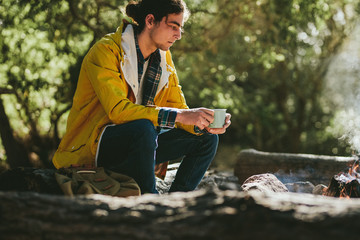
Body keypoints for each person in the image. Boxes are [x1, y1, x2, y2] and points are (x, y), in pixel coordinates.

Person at [52, 0, 231, 194]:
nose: (178, 35)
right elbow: (118, 112)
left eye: (180, 29)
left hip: (143, 142)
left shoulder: (164, 58)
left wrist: (202, 122)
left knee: (206, 139)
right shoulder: (106, 51)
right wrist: (180, 116)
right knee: (144, 127)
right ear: (150, 20)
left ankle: (178, 199)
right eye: (173, 26)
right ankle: (150, 198)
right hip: (98, 146)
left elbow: (178, 108)